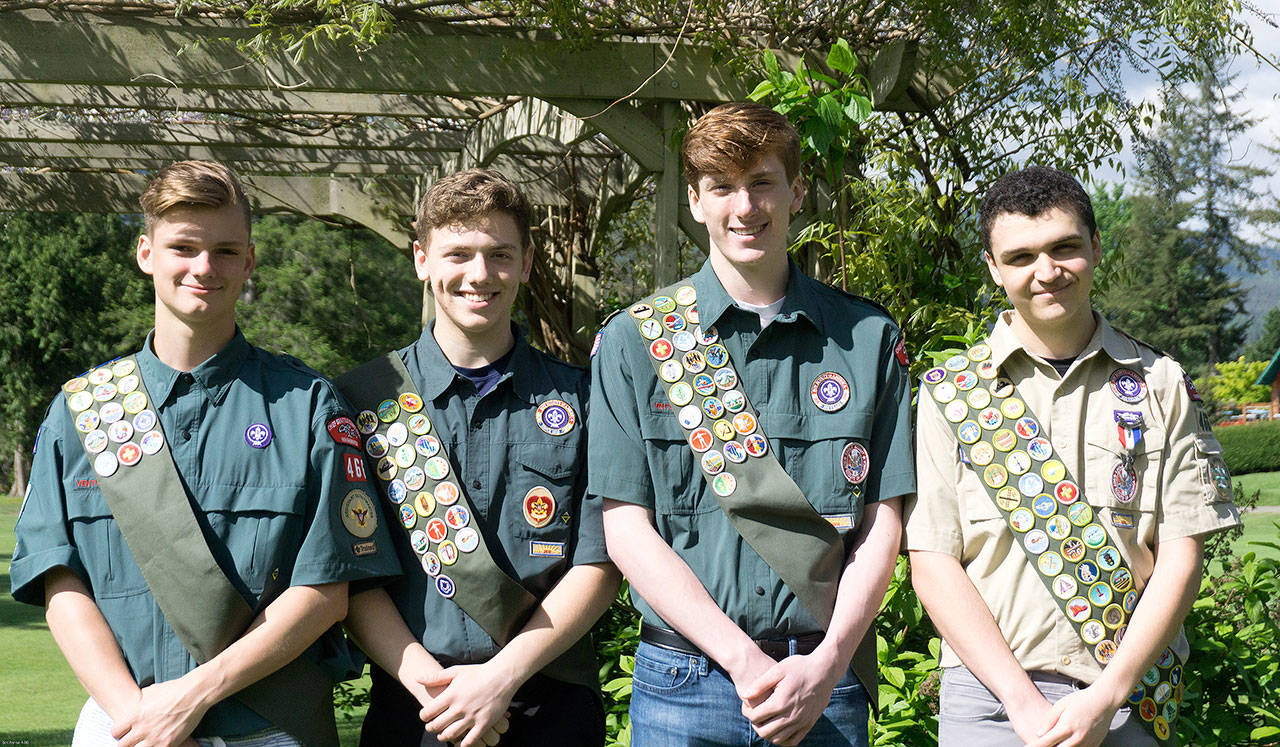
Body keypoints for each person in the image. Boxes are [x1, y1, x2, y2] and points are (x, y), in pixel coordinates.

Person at [10, 160, 399, 747]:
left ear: (249, 261)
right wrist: (140, 719)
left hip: (270, 730)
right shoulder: (82, 411)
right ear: (146, 253)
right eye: (184, 247)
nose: (204, 267)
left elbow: (326, 591)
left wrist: (189, 700)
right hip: (123, 725)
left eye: (224, 251)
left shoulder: (306, 405)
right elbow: (58, 581)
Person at [588, 102, 913, 747]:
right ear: (695, 200)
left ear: (797, 192)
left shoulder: (867, 339)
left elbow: (883, 522)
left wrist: (830, 663)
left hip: (823, 678)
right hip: (683, 682)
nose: (745, 207)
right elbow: (625, 528)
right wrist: (744, 661)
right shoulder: (634, 342)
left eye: (762, 182)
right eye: (722, 187)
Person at [905, 166, 1242, 746]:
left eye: (1064, 248)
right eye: (1020, 257)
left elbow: (1182, 556)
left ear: (1096, 247)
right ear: (993, 267)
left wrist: (1108, 695)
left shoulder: (1160, 383)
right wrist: (1021, 701)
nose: (1046, 271)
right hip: (989, 703)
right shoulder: (951, 393)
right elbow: (933, 562)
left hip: (1128, 699)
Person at [339, 168, 619, 747]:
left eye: (499, 255)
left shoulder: (583, 399)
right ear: (422, 260)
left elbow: (601, 562)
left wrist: (499, 678)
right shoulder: (361, 401)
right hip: (417, 700)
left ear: (527, 262)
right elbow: (350, 572)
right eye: (458, 254)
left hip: (550, 703)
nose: (479, 274)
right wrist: (433, 686)